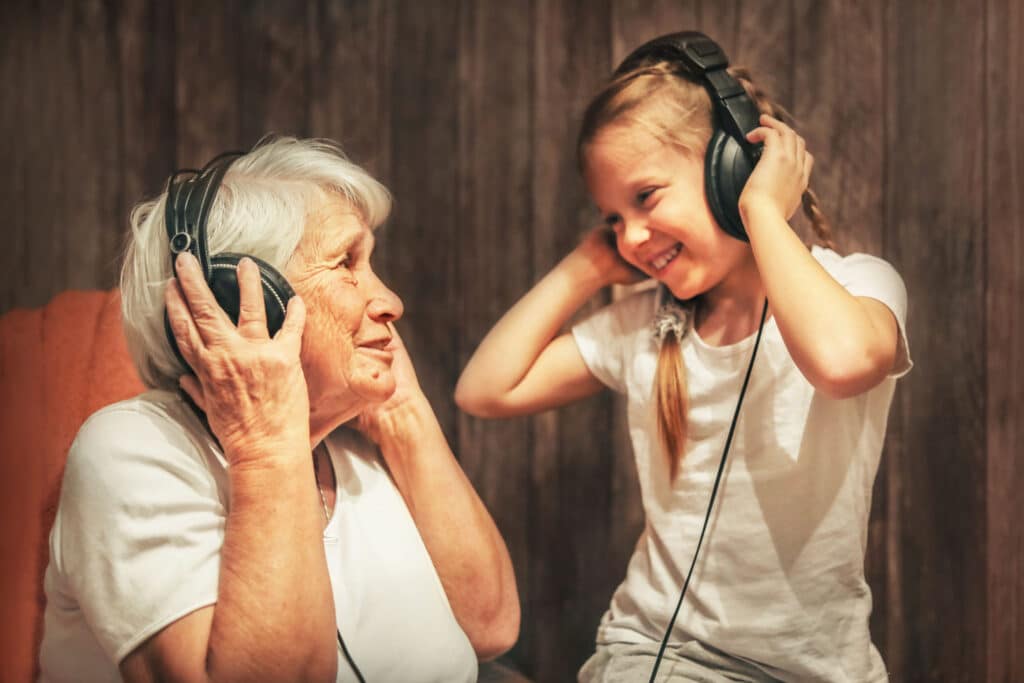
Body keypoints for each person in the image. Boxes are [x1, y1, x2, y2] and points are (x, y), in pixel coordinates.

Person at [456, 32, 911, 682]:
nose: (632, 235)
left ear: (730, 169)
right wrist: (589, 262)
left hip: (817, 668)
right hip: (657, 655)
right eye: (612, 216)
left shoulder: (862, 285)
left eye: (644, 197)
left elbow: (842, 362)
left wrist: (761, 212)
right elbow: (485, 390)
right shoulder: (646, 324)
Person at [38, 137, 520, 682]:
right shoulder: (130, 450)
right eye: (346, 264)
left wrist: (403, 414)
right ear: (246, 303)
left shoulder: (353, 444)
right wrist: (266, 449)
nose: (391, 302)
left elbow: (490, 628)